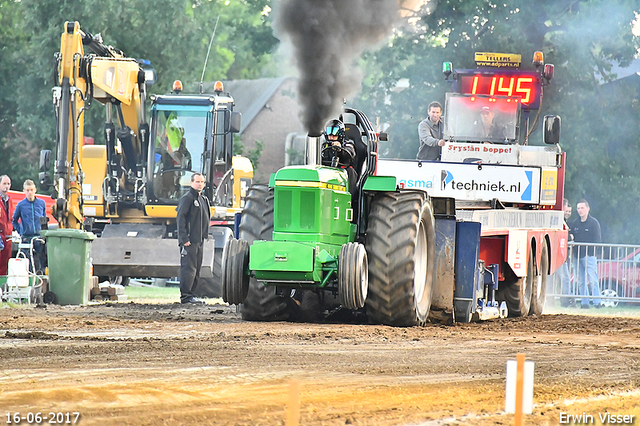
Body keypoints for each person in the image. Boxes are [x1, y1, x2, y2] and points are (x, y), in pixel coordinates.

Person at [176, 172, 210, 304]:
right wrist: (184, 238)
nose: (199, 184)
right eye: (197, 182)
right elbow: (181, 219)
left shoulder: (203, 199)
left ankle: (192, 294)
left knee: (196, 269)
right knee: (188, 268)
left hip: (199, 240)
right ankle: (186, 296)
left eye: (202, 182)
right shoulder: (187, 198)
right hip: (189, 241)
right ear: (191, 183)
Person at [571, 199, 602, 309]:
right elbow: (571, 235)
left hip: (589, 256)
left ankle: (597, 302)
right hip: (577, 255)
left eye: (582, 208)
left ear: (588, 209)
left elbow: (597, 240)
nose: (580, 210)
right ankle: (584, 303)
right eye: (578, 208)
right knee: (580, 280)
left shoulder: (594, 223)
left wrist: (591, 252)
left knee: (592, 279)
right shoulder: (575, 223)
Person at [12, 179, 47, 273]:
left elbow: (44, 220)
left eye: (31, 190)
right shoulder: (21, 205)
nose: (30, 192)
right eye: (27, 190)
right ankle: (28, 277)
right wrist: (21, 232)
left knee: (42, 260)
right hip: (26, 238)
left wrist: (44, 234)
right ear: (24, 191)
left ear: (35, 190)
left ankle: (41, 276)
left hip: (38, 237)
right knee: (26, 261)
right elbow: (14, 220)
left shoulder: (41, 203)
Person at [322, 119, 357, 195]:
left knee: (351, 172)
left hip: (343, 172)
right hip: (326, 172)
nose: (331, 138)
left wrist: (340, 150)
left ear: (340, 136)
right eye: (330, 135)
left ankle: (349, 198)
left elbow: (350, 154)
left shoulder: (348, 145)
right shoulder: (323, 147)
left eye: (334, 136)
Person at [559, 198, 574, 307]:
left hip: (562, 255)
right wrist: (570, 236)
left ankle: (566, 299)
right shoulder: (560, 220)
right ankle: (565, 299)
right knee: (565, 277)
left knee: (565, 277)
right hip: (560, 255)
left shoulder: (563, 220)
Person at [0, 175, 13, 276]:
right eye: (4, 183)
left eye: (8, 184)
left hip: (8, 236)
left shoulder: (9, 200)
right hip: (1, 234)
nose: (6, 186)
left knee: (6, 263)